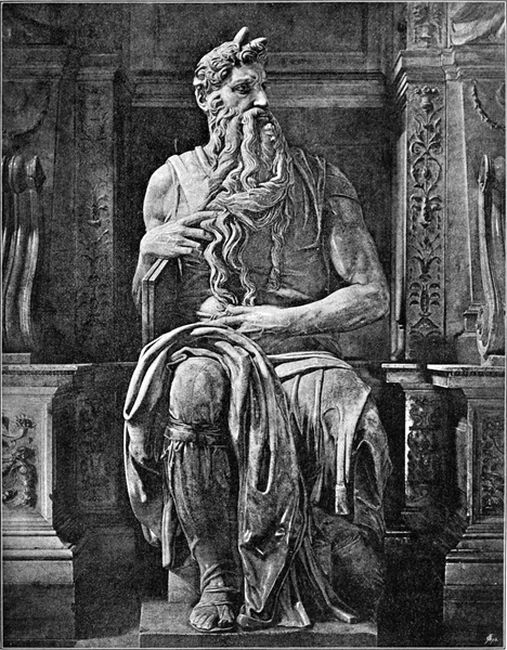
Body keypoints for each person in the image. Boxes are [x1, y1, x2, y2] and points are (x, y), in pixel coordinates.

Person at [124, 27, 391, 634]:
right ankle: (217, 575)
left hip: (300, 348)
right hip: (209, 346)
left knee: (348, 402)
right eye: (245, 90)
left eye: (264, 89)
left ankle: (321, 557)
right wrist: (148, 256)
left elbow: (372, 294)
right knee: (192, 388)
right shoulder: (172, 182)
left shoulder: (320, 179)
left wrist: (287, 318)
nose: (262, 103)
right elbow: (149, 322)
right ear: (208, 100)